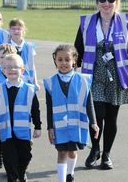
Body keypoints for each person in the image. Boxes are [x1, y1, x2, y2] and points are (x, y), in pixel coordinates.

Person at [74, 0, 128, 170]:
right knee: (96, 115)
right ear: (97, 2)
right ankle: (95, 149)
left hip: (117, 75)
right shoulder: (87, 22)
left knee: (111, 118)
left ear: (116, 2)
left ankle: (106, 155)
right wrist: (69, 68)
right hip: (93, 74)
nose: (106, 3)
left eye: (111, 0)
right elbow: (77, 48)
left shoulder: (125, 21)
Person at [44, 44, 100, 182]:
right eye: (60, 59)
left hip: (76, 125)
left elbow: (89, 102)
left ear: (74, 60)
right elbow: (49, 107)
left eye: (67, 59)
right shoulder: (50, 82)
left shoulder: (83, 80)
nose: (63, 63)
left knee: (72, 153)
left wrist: (93, 122)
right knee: (61, 152)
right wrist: (50, 127)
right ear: (55, 61)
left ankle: (70, 173)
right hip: (60, 126)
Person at [0, 53, 41, 182]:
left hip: (23, 132)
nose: (11, 70)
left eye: (15, 67)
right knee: (9, 158)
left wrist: (38, 126)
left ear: (22, 70)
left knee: (25, 156)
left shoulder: (30, 89)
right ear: (3, 71)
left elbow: (35, 110)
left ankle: (21, 173)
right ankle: (13, 177)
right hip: (6, 132)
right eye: (7, 67)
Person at [7, 18, 40, 90]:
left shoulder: (30, 47)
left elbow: (32, 66)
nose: (16, 31)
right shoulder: (6, 47)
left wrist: (35, 82)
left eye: (19, 29)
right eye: (13, 29)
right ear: (9, 30)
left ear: (23, 30)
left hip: (28, 82)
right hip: (11, 81)